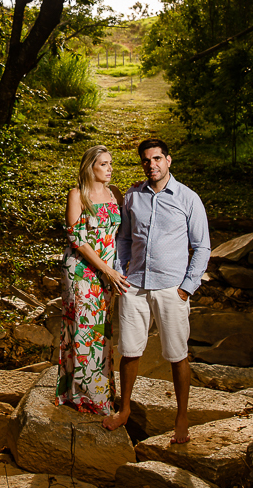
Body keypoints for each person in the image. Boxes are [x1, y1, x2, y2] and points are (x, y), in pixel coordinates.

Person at [102, 138, 210, 444]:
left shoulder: (188, 199)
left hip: (171, 288)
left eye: (157, 159)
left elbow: (202, 247)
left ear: (168, 161)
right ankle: (124, 411)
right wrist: (122, 272)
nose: (152, 165)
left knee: (177, 354)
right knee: (130, 351)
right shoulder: (133, 196)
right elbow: (123, 238)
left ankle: (182, 417)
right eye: (147, 160)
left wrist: (187, 288)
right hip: (134, 286)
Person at [56, 145, 131, 414]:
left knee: (102, 330)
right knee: (82, 330)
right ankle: (81, 395)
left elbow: (122, 235)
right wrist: (108, 271)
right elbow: (77, 239)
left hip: (108, 269)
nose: (110, 169)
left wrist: (116, 268)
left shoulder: (115, 194)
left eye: (111, 163)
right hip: (81, 271)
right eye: (104, 164)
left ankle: (101, 391)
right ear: (90, 167)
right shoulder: (77, 195)